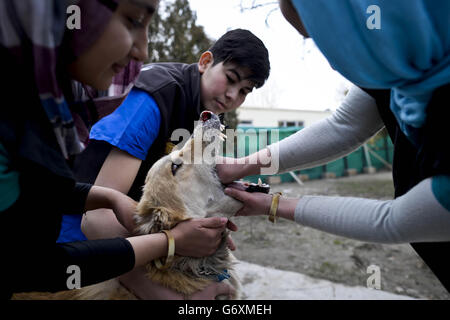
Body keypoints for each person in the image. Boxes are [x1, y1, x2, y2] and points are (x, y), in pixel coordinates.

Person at [0, 0, 232, 299]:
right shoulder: (151, 101)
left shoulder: (51, 105)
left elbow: (37, 190)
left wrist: (107, 198)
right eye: (133, 20)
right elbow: (28, 266)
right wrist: (169, 245)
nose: (143, 51)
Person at [218, 0, 450, 292]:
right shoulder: (396, 56)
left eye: (320, 35)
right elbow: (345, 125)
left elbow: (393, 221)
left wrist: (272, 204)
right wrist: (241, 166)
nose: (331, 57)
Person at [61, 29, 270, 299]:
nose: (233, 96)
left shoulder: (207, 116)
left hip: (133, 239)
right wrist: (162, 288)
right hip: (72, 240)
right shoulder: (154, 98)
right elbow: (96, 219)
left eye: (244, 91)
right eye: (230, 79)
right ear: (205, 62)